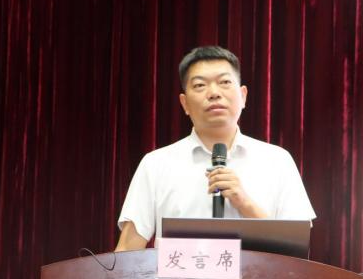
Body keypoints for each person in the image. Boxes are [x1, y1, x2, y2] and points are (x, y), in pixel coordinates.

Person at [115, 46, 315, 252]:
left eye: (224, 82)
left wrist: (244, 203)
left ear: (243, 96)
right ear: (184, 103)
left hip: (258, 275)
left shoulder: (277, 161)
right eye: (200, 85)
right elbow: (128, 250)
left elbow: (295, 252)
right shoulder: (156, 164)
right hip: (178, 275)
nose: (214, 93)